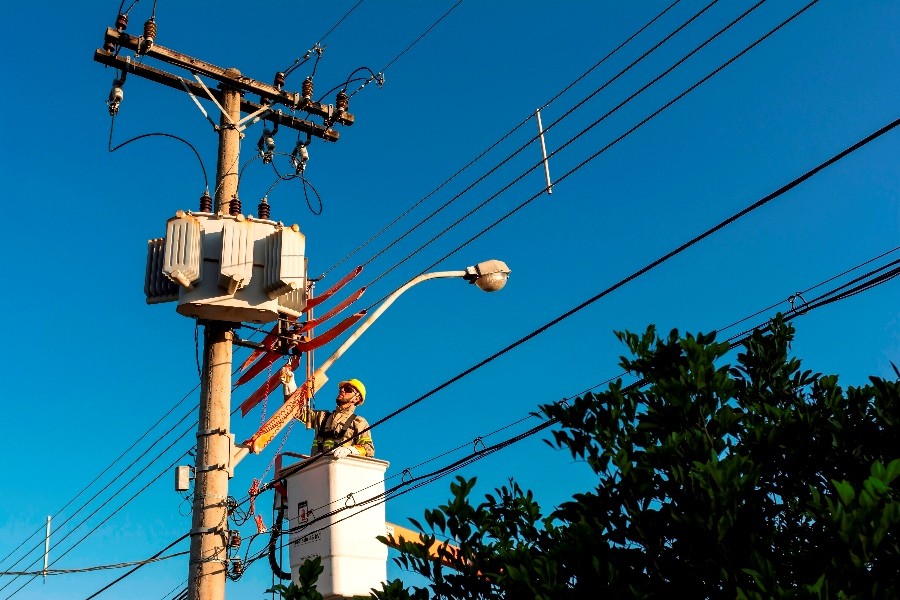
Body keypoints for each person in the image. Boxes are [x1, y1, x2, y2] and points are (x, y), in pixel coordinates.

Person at [281, 367, 375, 459]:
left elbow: (368, 449)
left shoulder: (359, 422)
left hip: (340, 468)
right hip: (318, 467)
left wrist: (350, 450)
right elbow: (295, 410)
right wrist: (289, 384)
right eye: (342, 388)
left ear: (357, 398)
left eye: (348, 390)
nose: (342, 390)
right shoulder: (321, 417)